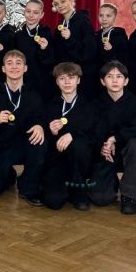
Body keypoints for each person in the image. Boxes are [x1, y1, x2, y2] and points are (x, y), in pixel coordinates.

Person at [0, 50, 46, 202]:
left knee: (39, 142)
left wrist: (40, 126)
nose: (14, 67)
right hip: (1, 148)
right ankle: (9, 175)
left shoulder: (34, 95)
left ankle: (28, 187)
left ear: (25, 68)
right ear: (3, 69)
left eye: (18, 63)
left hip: (24, 146)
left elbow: (41, 117)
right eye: (9, 63)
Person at [91, 61, 136, 214]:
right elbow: (93, 131)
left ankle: (129, 195)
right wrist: (103, 146)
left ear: (126, 81)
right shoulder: (96, 103)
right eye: (110, 76)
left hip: (128, 150)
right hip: (106, 152)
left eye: (119, 76)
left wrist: (115, 138)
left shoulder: (135, 102)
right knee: (100, 199)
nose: (115, 80)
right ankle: (112, 182)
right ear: (103, 81)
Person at [42, 62, 95, 211]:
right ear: (56, 82)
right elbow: (43, 137)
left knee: (79, 146)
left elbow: (95, 135)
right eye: (62, 78)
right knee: (54, 202)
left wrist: (73, 135)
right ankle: (56, 185)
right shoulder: (50, 105)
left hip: (79, 162)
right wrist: (51, 131)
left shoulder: (89, 106)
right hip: (57, 160)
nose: (67, 82)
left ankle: (78, 191)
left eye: (71, 78)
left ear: (78, 80)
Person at [52, 0, 97, 98]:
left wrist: (70, 39)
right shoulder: (59, 28)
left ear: (71, 0)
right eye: (56, 4)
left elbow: (89, 52)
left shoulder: (84, 22)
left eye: (63, 1)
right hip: (65, 79)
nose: (60, 5)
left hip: (82, 78)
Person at [14, 0, 55, 98]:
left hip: (42, 83)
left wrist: (45, 49)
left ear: (42, 15)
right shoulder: (18, 36)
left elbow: (51, 62)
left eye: (35, 12)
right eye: (28, 11)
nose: (31, 15)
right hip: (22, 82)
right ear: (24, 12)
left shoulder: (47, 33)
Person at [95, 3, 129, 71]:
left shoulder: (119, 34)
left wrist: (111, 50)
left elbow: (125, 57)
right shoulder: (96, 35)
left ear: (115, 17)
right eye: (101, 15)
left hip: (115, 72)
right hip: (98, 72)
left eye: (108, 16)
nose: (104, 19)